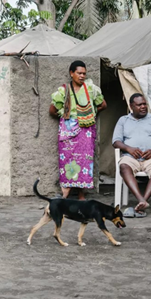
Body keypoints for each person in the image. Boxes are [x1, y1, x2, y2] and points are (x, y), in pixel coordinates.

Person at [49, 60, 107, 200]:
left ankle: (81, 194)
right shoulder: (63, 90)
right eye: (79, 73)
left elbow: (103, 105)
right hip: (67, 131)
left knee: (84, 160)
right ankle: (66, 192)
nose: (82, 76)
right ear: (71, 73)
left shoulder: (91, 89)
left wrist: (90, 113)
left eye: (84, 74)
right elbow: (52, 110)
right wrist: (66, 116)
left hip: (85, 131)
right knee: (67, 159)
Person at [112, 93, 151, 214]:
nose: (143, 107)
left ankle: (144, 200)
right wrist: (128, 149)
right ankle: (141, 200)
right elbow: (116, 141)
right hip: (130, 157)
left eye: (144, 104)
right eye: (139, 105)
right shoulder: (123, 120)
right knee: (124, 166)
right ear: (131, 106)